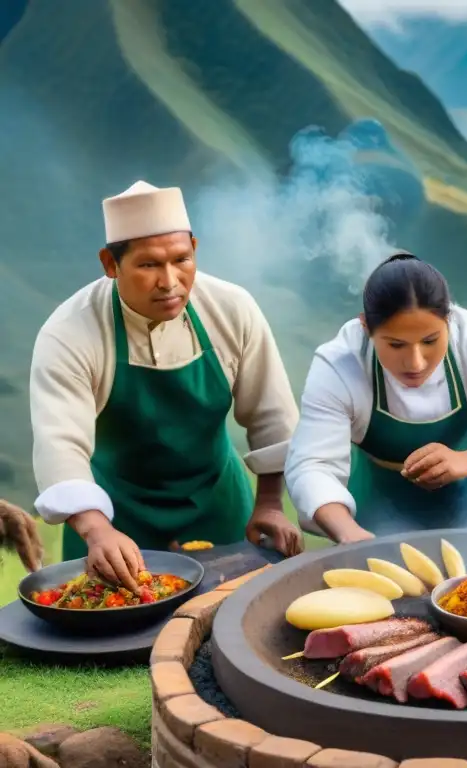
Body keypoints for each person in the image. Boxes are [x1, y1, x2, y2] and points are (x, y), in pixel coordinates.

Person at [30, 181, 304, 591]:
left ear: (195, 247)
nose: (170, 281)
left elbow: (272, 416)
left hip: (219, 506)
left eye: (182, 259)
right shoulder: (70, 333)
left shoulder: (232, 308)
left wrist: (269, 503)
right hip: (114, 520)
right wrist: (96, 530)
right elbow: (60, 445)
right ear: (110, 263)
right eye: (148, 265)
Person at [285, 251, 467, 542]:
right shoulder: (338, 363)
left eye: (430, 341)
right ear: (366, 327)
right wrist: (349, 534)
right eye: (396, 344)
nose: (416, 363)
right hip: (381, 503)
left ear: (449, 320)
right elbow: (312, 465)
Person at [0, 500, 44, 573]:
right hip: (18, 518)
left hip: (16, 520)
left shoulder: (14, 518)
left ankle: (37, 573)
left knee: (34, 557)